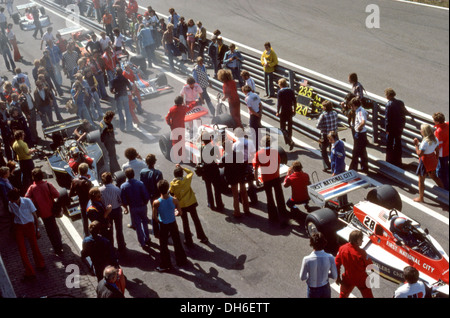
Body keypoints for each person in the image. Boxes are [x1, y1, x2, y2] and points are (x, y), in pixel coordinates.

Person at [8, 188, 46, 282]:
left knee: (34, 246)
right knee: (22, 250)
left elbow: (35, 217)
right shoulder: (11, 204)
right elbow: (13, 215)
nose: (10, 201)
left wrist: (37, 229)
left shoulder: (27, 201)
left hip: (29, 226)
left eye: (12, 200)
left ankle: (40, 264)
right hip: (19, 227)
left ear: (15, 199)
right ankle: (30, 272)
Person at [25, 168, 63, 255]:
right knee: (54, 228)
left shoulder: (32, 188)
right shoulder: (48, 185)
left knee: (50, 232)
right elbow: (57, 194)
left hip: (42, 213)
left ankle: (56, 248)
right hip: (51, 211)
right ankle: (59, 245)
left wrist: (34, 200)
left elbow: (26, 198)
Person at [152, 179, 188, 272]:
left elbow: (154, 217)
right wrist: (175, 213)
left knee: (163, 245)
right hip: (173, 223)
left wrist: (159, 221)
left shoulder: (156, 202)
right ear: (168, 188)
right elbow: (180, 212)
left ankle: (166, 264)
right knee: (177, 242)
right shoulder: (174, 200)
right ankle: (181, 260)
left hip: (163, 224)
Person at [169, 164, 208, 247]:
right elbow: (190, 172)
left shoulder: (173, 183)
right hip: (191, 202)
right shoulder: (187, 180)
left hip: (181, 205)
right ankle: (202, 237)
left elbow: (171, 193)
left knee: (185, 222)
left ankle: (188, 240)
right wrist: (182, 167)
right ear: (182, 174)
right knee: (196, 219)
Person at [253, 135, 287, 226]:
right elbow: (279, 162)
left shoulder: (258, 153)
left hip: (266, 178)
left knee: (269, 197)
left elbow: (255, 168)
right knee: (279, 195)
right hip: (275, 176)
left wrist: (256, 180)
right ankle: (283, 212)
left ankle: (273, 216)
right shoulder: (275, 152)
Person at [335, 230, 374, 298]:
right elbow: (370, 265)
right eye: (361, 239)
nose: (362, 241)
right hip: (361, 279)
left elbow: (336, 264)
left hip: (348, 278)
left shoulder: (342, 249)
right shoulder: (361, 253)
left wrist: (337, 277)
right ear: (357, 240)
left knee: (343, 295)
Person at [120, 168, 151, 250]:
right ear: (133, 174)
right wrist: (144, 203)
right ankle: (147, 238)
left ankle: (142, 243)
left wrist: (126, 208)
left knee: (138, 225)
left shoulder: (123, 186)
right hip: (142, 206)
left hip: (133, 208)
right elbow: (146, 196)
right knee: (144, 222)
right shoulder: (140, 183)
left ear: (126, 176)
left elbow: (123, 200)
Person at [299, 232, 338, 298]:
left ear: (311, 244)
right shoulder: (330, 257)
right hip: (325, 288)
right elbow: (334, 276)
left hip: (313, 290)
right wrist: (325, 273)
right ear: (324, 243)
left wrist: (313, 274)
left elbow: (302, 277)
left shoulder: (306, 259)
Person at [413, 124, 444, 202]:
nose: (420, 131)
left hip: (425, 161)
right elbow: (437, 150)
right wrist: (436, 159)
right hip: (432, 159)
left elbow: (420, 154)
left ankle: (421, 198)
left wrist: (416, 145)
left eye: (421, 130)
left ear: (425, 131)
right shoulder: (435, 139)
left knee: (421, 180)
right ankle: (444, 192)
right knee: (434, 176)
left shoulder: (425, 142)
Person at [220, 140, 250, 218]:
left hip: (232, 177)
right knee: (244, 193)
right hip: (240, 175)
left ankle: (237, 212)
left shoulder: (224, 157)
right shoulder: (239, 154)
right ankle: (246, 209)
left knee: (235, 195)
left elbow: (221, 166)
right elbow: (243, 164)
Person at [99, 172, 126, 252]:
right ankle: (121, 245)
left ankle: (111, 246)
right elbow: (121, 200)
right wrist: (125, 207)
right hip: (117, 210)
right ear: (111, 179)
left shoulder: (100, 190)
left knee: (109, 230)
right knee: (119, 229)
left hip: (107, 212)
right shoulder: (116, 189)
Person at [199, 131, 224, 212]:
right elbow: (218, 157)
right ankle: (219, 204)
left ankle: (211, 204)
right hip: (214, 168)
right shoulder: (215, 147)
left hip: (206, 170)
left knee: (208, 188)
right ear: (210, 139)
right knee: (217, 188)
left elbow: (201, 160)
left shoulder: (202, 148)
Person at [140, 153, 163, 238]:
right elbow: (160, 185)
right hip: (157, 195)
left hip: (148, 194)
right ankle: (160, 230)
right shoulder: (158, 173)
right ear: (154, 162)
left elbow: (142, 184)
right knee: (159, 212)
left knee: (154, 211)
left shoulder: (142, 172)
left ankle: (155, 231)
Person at [384, 88, 408, 168]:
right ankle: (398, 161)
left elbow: (387, 118)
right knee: (398, 144)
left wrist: (387, 129)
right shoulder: (400, 102)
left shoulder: (388, 104)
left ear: (388, 96)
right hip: (399, 127)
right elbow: (405, 111)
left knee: (389, 145)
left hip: (391, 129)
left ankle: (389, 161)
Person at [70, 163, 93, 237]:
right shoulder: (88, 182)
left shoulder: (74, 181)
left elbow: (70, 194)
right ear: (86, 171)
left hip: (82, 202)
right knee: (92, 217)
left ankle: (86, 235)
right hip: (89, 202)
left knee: (84, 219)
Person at [316, 100, 339, 172]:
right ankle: (335, 165)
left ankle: (326, 166)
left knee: (323, 150)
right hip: (334, 134)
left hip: (325, 135)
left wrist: (323, 128)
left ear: (325, 108)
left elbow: (317, 126)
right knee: (333, 150)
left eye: (323, 106)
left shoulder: (323, 115)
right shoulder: (335, 113)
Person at [348, 98, 369, 173]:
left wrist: (359, 128)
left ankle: (352, 169)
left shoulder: (359, 112)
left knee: (355, 152)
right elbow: (367, 115)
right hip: (363, 134)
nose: (351, 108)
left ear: (355, 105)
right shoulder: (362, 109)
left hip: (359, 135)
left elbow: (363, 122)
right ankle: (364, 168)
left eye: (352, 106)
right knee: (362, 152)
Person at [110, 67, 133, 132]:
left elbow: (111, 90)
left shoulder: (114, 80)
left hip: (118, 96)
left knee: (120, 112)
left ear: (116, 73)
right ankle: (129, 127)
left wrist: (115, 92)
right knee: (127, 111)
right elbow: (130, 87)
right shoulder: (124, 78)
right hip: (125, 95)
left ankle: (122, 127)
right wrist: (126, 90)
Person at [276, 78, 296, 150]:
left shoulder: (280, 92)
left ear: (280, 84)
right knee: (290, 126)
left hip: (284, 111)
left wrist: (278, 111)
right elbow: (294, 101)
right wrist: (295, 110)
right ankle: (289, 139)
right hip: (290, 110)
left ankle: (289, 141)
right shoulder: (291, 91)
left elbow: (279, 103)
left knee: (282, 127)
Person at [165, 95, 188, 160]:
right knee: (181, 140)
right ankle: (182, 155)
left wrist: (170, 124)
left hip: (174, 127)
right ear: (182, 102)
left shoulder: (171, 109)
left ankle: (176, 156)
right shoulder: (184, 108)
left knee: (175, 142)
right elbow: (189, 107)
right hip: (181, 126)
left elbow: (167, 118)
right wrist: (195, 102)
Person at [432, 112, 449, 190]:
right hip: (448, 151)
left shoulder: (438, 131)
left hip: (442, 154)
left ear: (437, 122)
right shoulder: (448, 124)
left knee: (440, 171)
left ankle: (444, 187)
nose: (433, 121)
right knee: (446, 169)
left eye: (434, 120)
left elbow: (438, 145)